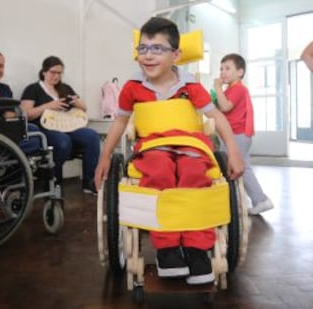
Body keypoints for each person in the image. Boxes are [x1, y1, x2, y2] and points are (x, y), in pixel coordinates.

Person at [94, 17, 243, 285]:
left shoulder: (189, 86)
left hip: (191, 146)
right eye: (143, 48)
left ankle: (197, 248)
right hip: (152, 147)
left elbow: (218, 118)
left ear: (176, 55)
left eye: (157, 49)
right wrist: (104, 158)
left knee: (194, 173)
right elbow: (119, 122)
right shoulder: (132, 87)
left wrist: (233, 152)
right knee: (159, 171)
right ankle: (168, 249)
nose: (148, 56)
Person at [20, 56, 100, 194]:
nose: (56, 76)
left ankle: (89, 181)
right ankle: (52, 181)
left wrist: (75, 101)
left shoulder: (65, 88)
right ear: (44, 72)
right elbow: (26, 114)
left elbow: (84, 107)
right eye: (53, 72)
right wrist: (48, 106)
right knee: (62, 141)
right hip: (44, 128)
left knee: (92, 136)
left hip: (67, 126)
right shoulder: (33, 89)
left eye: (59, 73)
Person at [214, 53, 274, 216]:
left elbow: (225, 107)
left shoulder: (238, 89)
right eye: (221, 68)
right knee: (236, 167)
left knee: (242, 167)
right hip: (234, 134)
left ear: (240, 72)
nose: (223, 72)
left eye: (227, 68)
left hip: (238, 134)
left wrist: (217, 88)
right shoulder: (230, 90)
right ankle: (244, 201)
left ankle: (261, 200)